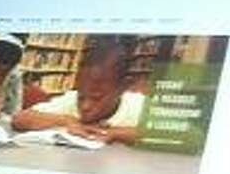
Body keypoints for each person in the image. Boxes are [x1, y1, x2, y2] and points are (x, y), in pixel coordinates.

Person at [10, 38, 144, 144]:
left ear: (122, 88)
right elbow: (19, 119)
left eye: (96, 98)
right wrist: (67, 121)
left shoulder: (137, 106)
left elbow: (163, 136)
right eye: (81, 96)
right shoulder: (70, 101)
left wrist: (114, 133)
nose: (85, 106)